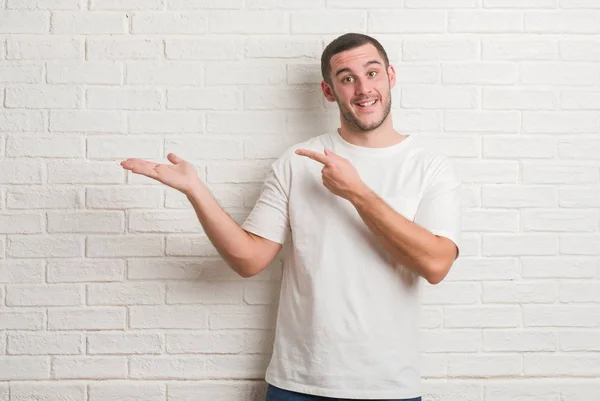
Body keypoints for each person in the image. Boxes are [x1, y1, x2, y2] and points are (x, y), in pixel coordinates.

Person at [121, 33, 461, 401]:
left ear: (391, 76)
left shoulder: (429, 167)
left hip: (388, 386)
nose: (363, 88)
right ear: (329, 91)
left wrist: (357, 192)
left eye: (372, 73)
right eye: (347, 78)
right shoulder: (298, 161)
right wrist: (195, 191)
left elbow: (436, 264)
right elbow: (249, 260)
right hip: (298, 383)